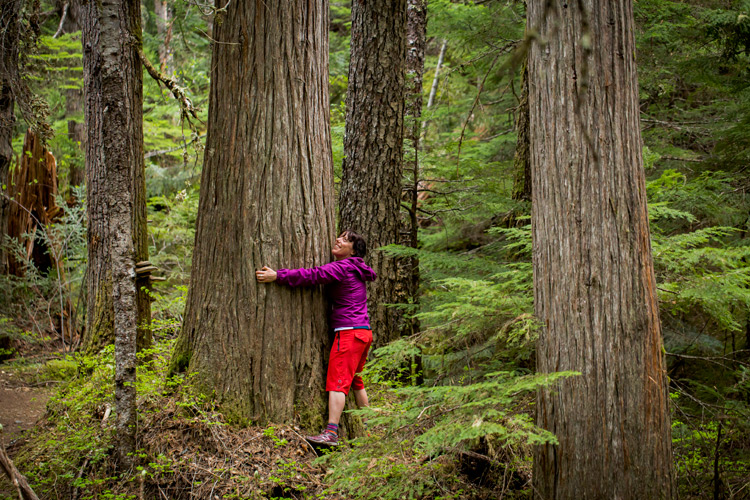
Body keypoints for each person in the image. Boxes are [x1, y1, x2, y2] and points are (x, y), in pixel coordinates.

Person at [255, 230, 377, 446]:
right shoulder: (357, 268)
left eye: (346, 240)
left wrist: (278, 276)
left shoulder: (343, 267)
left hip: (349, 332)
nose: (338, 239)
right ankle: (369, 430)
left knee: (338, 383)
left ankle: (331, 433)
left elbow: (312, 275)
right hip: (363, 332)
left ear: (353, 250)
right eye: (339, 236)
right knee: (355, 380)